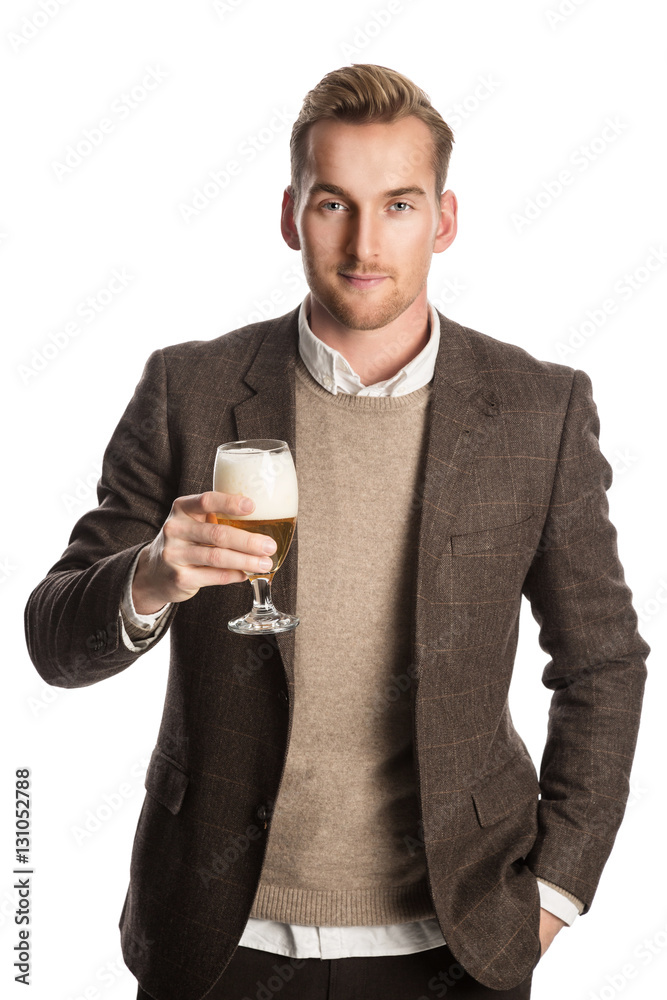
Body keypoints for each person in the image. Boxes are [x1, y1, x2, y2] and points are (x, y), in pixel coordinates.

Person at [25, 63, 649, 1000]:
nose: (364, 243)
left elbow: (602, 661)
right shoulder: (187, 389)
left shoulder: (538, 408)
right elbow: (53, 644)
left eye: (397, 205)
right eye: (332, 204)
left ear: (442, 220)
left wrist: (553, 893)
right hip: (216, 938)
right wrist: (149, 577)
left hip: (456, 943)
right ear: (290, 216)